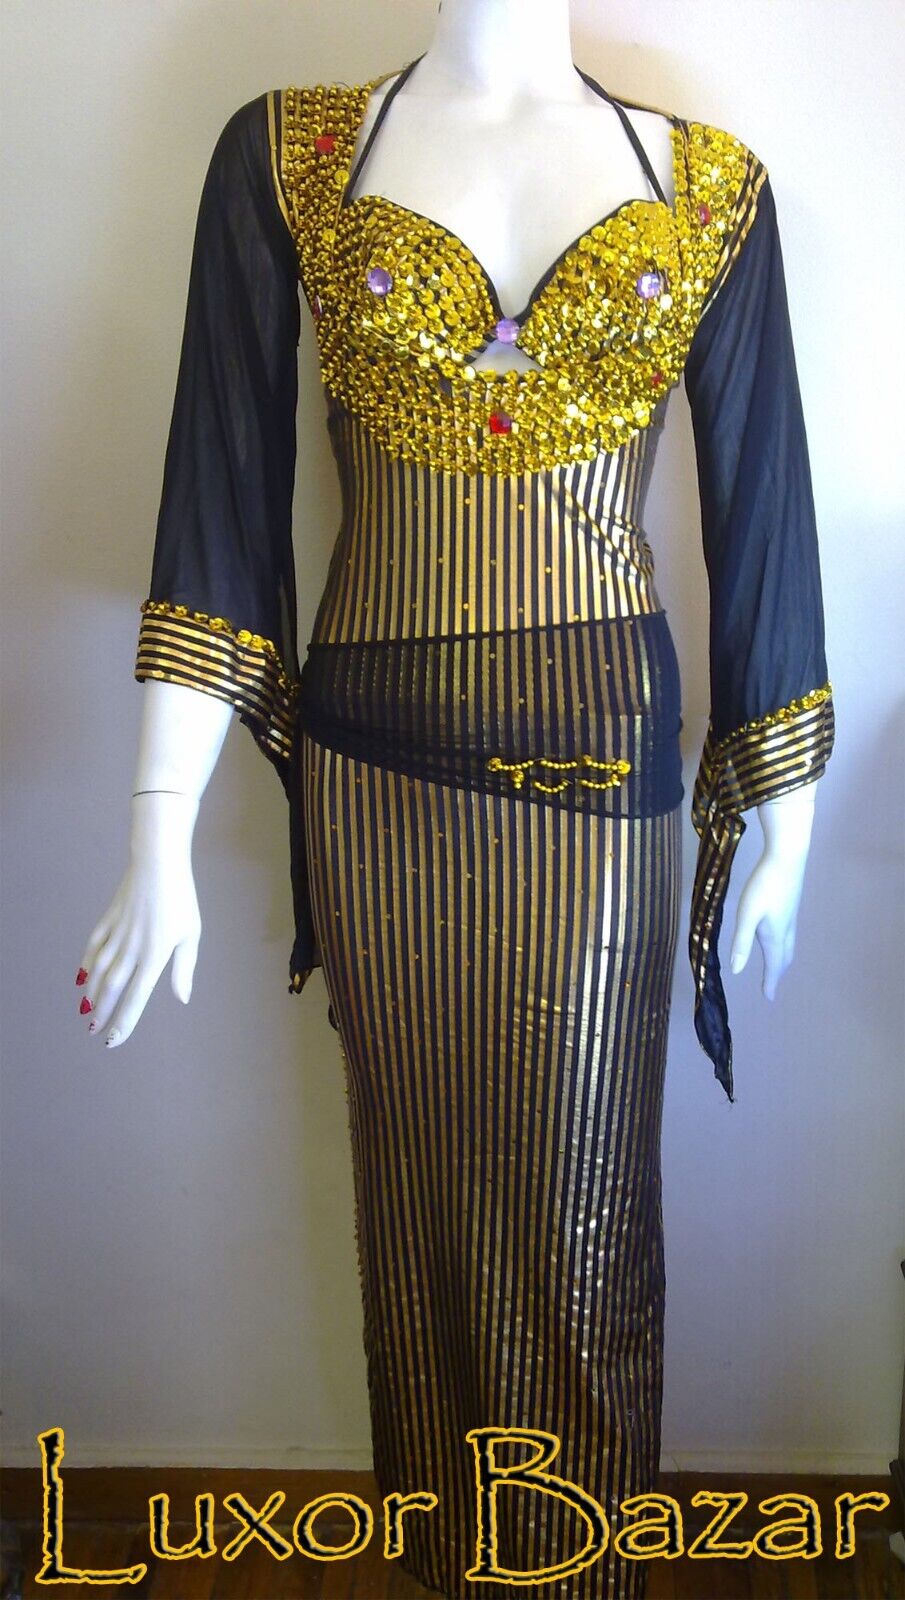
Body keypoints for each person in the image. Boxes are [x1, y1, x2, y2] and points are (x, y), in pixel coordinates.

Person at [77, 5, 835, 1595]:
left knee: (581, 1211)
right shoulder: (288, 153)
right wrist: (157, 825)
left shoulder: (705, 184)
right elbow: (217, 486)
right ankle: (447, 1560)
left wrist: (784, 812)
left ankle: (579, 1571)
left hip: (597, 767)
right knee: (412, 1204)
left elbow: (762, 498)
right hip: (370, 771)